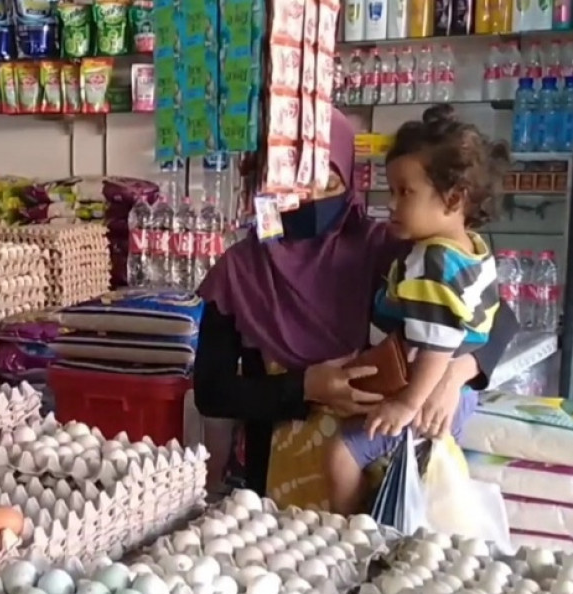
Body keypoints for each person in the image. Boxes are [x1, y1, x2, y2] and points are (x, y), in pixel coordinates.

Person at [194, 108, 519, 511]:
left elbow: (497, 316)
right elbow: (212, 392)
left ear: (349, 178)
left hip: (383, 475)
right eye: (292, 180)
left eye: (326, 181)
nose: (309, 198)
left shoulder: (391, 248)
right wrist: (304, 388)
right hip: (276, 492)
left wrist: (453, 375)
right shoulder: (239, 271)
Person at [324, 106, 509, 514]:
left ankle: (347, 537)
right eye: (391, 191)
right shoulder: (470, 248)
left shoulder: (432, 263)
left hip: (428, 394)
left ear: (454, 198)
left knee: (342, 455)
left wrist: (407, 403)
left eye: (405, 193)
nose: (391, 204)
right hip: (452, 393)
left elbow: (438, 345)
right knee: (415, 485)